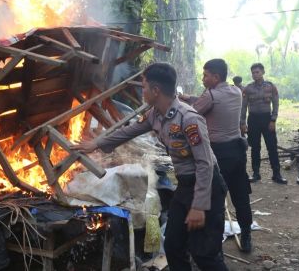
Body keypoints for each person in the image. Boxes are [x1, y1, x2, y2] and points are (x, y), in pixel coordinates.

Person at [71, 63, 229, 271]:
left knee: (204, 253)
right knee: (173, 246)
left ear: (156, 90)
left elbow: (205, 164)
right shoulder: (156, 114)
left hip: (206, 186)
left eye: (144, 87)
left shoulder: (189, 118)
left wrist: (199, 206)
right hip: (184, 185)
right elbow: (129, 131)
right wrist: (96, 143)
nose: (141, 91)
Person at [179, 59, 253, 253]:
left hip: (218, 153)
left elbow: (193, 111)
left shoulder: (210, 95)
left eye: (205, 75)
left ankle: (213, 246)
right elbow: (207, 100)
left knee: (215, 198)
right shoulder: (236, 91)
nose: (203, 79)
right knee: (241, 194)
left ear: (216, 77)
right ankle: (246, 235)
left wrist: (180, 100)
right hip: (237, 151)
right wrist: (189, 96)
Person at [240, 63, 287, 184]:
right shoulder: (248, 88)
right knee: (255, 147)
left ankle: (277, 174)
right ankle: (256, 174)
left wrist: (273, 120)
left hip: (267, 119)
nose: (255, 74)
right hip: (253, 119)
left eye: (257, 72)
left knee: (272, 147)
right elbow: (243, 107)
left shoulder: (270, 86)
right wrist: (243, 123)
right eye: (253, 72)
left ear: (263, 72)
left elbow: (276, 104)